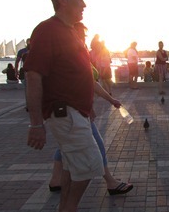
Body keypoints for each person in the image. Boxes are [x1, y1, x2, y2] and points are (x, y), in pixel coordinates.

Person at [24, 0, 102, 212]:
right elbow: (34, 76)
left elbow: (74, 74)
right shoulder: (48, 31)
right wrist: (36, 123)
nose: (84, 3)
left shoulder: (69, 31)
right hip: (63, 113)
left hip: (74, 111)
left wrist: (86, 105)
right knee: (91, 164)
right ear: (62, 0)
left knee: (71, 167)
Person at [49, 22, 133, 197]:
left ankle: (55, 180)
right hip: (73, 111)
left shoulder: (70, 53)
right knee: (97, 146)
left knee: (65, 146)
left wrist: (110, 100)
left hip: (69, 110)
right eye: (82, 35)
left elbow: (89, 82)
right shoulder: (73, 54)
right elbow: (87, 83)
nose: (84, 39)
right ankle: (110, 183)